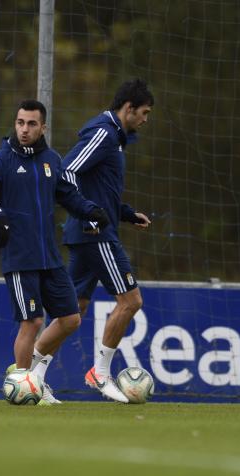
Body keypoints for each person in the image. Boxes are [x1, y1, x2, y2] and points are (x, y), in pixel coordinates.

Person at [0, 100, 109, 405]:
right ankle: (22, 387)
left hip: (50, 258)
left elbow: (70, 195)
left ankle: (30, 376)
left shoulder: (53, 160)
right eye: (20, 123)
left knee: (71, 319)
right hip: (19, 257)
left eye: (31, 124)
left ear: (43, 127)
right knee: (31, 322)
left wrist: (92, 211)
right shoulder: (0, 159)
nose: (25, 129)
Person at [37, 79, 154, 403]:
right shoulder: (103, 133)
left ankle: (33, 376)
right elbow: (68, 171)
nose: (146, 119)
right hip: (95, 234)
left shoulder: (116, 139)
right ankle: (100, 373)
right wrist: (89, 215)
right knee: (131, 302)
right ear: (128, 109)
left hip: (87, 233)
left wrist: (127, 213)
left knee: (71, 312)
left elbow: (99, 190)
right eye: (144, 113)